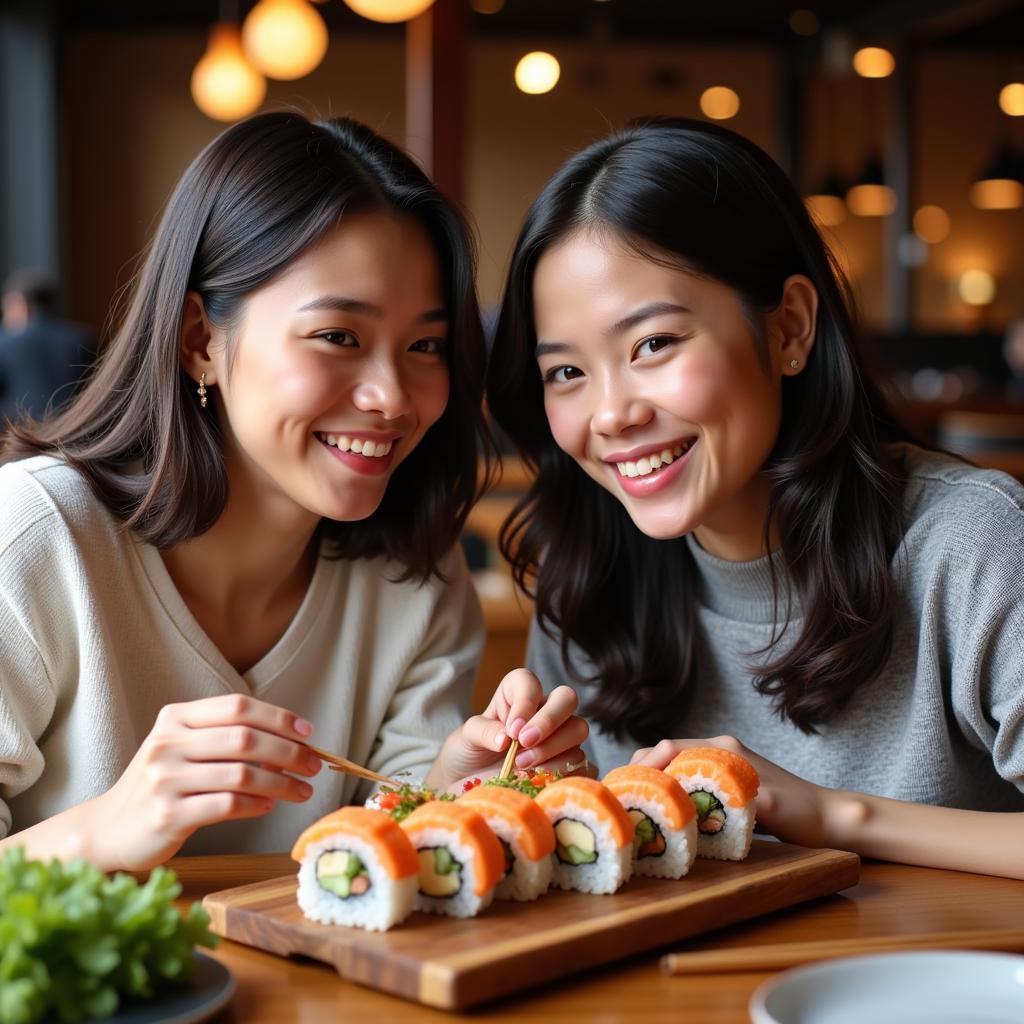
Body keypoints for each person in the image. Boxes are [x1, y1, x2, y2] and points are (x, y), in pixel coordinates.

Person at [0, 112, 587, 872]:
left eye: (426, 346)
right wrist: (106, 828)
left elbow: (395, 844)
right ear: (199, 339)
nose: (393, 397)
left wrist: (453, 790)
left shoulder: (416, 570)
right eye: (339, 336)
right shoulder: (36, 539)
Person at [486, 117, 1024, 880]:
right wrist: (499, 788)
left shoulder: (970, 546)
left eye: (653, 345)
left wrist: (835, 816)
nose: (610, 415)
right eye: (567, 372)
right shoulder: (588, 576)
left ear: (790, 329)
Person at [0, 268, 96, 423]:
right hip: (74, 434)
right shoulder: (84, 339)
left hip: (22, 439)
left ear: (21, 304)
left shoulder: (4, 343)